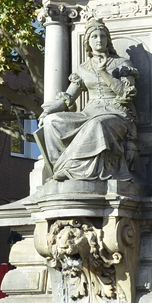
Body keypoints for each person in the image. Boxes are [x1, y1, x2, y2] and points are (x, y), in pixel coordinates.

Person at [37, 20, 138, 182]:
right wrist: (48, 111)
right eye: (95, 37)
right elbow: (68, 98)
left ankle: (71, 169)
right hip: (89, 112)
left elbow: (126, 94)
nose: (99, 40)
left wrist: (103, 72)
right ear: (88, 42)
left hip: (116, 113)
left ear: (108, 40)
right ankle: (60, 167)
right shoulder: (83, 68)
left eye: (103, 36)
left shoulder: (122, 64)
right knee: (51, 121)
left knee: (97, 124)